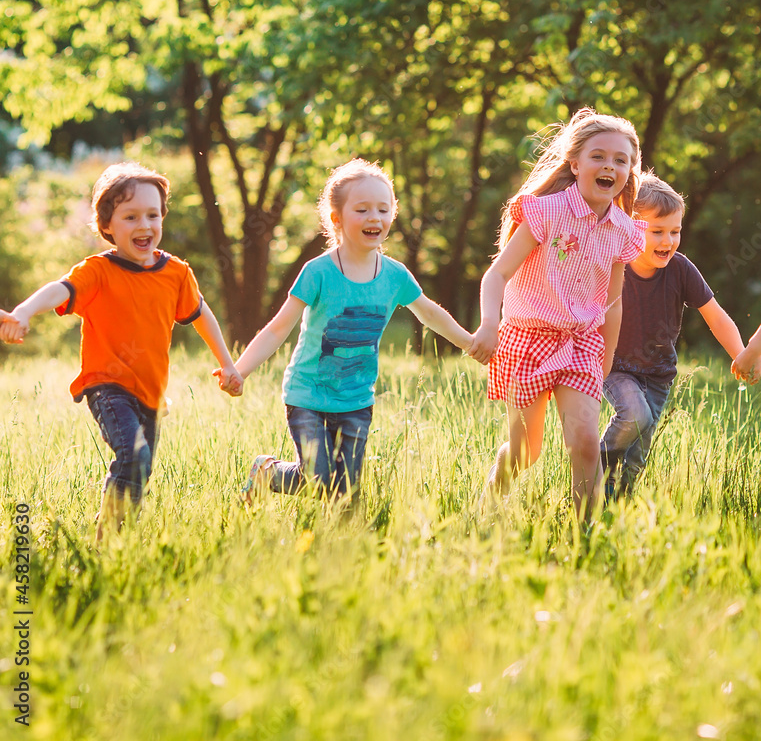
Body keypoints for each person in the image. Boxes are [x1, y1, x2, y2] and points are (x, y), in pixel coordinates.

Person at [0, 161, 242, 538]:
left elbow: (201, 315)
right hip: (107, 385)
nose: (145, 225)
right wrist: (24, 310)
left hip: (151, 393)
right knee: (135, 455)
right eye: (131, 216)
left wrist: (228, 365)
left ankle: (117, 540)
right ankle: (105, 540)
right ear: (107, 225)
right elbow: (60, 289)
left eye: (152, 215)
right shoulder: (98, 271)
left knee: (140, 470)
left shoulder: (176, 273)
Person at [233, 158, 475, 505]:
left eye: (383, 208)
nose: (374, 217)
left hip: (356, 400)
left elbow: (431, 315)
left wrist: (470, 343)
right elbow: (277, 329)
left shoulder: (395, 276)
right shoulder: (317, 272)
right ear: (337, 219)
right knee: (317, 479)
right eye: (362, 210)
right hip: (308, 395)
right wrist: (240, 371)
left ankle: (340, 545)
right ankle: (268, 471)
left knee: (343, 492)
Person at [470, 109, 647, 518]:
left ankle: (585, 534)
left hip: (581, 344)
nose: (610, 166)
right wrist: (489, 325)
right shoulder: (546, 213)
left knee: (584, 442)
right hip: (527, 340)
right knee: (524, 451)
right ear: (575, 164)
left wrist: (603, 362)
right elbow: (497, 274)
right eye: (598, 156)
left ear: (629, 170)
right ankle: (488, 508)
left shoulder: (624, 230)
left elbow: (613, 302)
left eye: (621, 160)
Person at [599, 174, 745, 498]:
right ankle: (597, 467)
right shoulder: (613, 267)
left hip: (658, 376)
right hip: (616, 365)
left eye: (675, 231)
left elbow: (716, 316)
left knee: (637, 458)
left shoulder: (681, 269)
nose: (667, 241)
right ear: (630, 227)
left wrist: (741, 354)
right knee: (634, 415)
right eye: (657, 232)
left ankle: (616, 510)